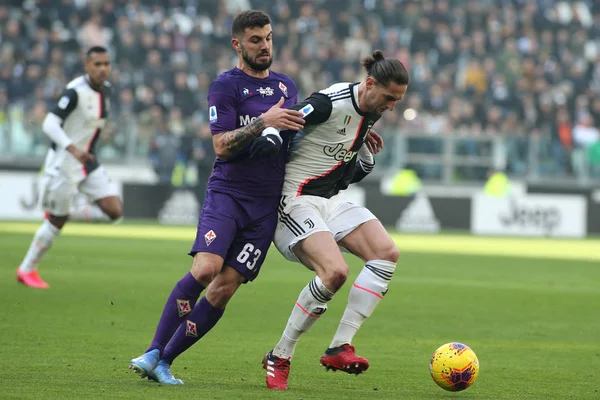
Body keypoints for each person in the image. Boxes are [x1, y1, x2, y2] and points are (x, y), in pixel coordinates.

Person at [128, 10, 305, 385]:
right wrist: (263, 123)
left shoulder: (287, 87)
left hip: (265, 207)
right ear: (237, 44)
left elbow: (299, 139)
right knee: (206, 269)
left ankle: (164, 362)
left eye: (269, 37)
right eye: (256, 39)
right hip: (228, 193)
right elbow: (222, 146)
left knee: (224, 289)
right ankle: (153, 350)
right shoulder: (226, 87)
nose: (265, 45)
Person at [261, 50, 409, 390]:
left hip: (329, 201)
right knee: (335, 272)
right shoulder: (330, 102)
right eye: (389, 98)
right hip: (295, 199)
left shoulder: (371, 108)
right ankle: (280, 355)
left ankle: (340, 346)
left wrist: (361, 154)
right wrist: (265, 143)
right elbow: (287, 121)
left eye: (398, 101)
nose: (392, 106)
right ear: (370, 84)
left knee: (386, 254)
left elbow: (339, 157)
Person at [16, 46, 122, 289]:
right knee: (56, 220)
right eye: (97, 64)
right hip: (64, 162)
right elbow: (50, 124)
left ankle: (63, 212)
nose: (103, 68)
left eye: (106, 63)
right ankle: (26, 269)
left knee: (115, 210)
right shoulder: (74, 91)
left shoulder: (106, 91)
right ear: (87, 66)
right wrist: (73, 148)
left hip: (87, 162)